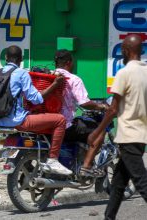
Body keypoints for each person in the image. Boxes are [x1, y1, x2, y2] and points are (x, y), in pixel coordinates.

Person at [0, 45, 72, 176]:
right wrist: (55, 85)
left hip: (0, 123)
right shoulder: (21, 74)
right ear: (21, 59)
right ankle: (52, 159)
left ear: (6, 58)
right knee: (60, 120)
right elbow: (36, 99)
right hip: (19, 121)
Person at [87, 34, 147, 220]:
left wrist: (97, 132)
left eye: (122, 49)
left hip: (129, 135)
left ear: (125, 51)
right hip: (141, 136)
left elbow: (112, 109)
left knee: (142, 183)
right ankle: (109, 217)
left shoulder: (124, 73)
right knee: (119, 183)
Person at [53, 49, 108, 177]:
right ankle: (86, 167)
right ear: (69, 62)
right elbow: (84, 103)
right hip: (64, 125)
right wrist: (101, 106)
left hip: (47, 123)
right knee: (99, 131)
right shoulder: (73, 79)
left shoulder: (48, 76)